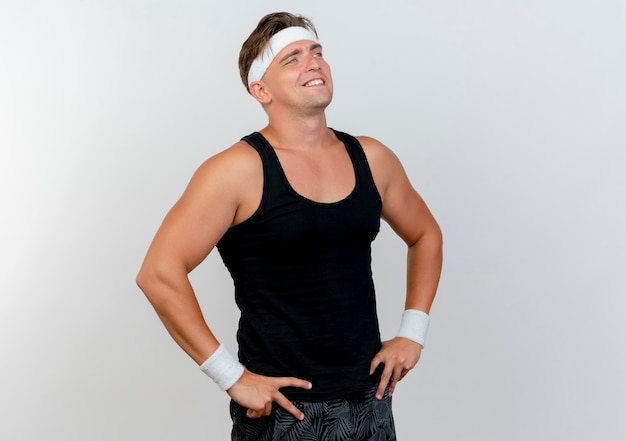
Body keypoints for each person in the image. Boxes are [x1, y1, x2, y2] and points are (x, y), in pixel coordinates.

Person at [136, 11, 443, 441]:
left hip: (370, 399)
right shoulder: (236, 171)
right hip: (284, 413)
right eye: (292, 58)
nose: (313, 63)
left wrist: (413, 333)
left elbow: (425, 234)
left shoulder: (372, 158)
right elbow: (158, 273)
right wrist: (231, 376)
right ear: (260, 89)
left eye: (317, 52)